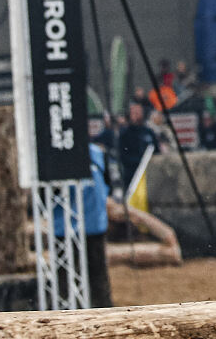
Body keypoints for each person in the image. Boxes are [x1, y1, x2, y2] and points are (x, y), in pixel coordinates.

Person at [53, 142, 114, 307]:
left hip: (94, 224)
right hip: (65, 227)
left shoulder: (97, 153)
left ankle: (104, 311)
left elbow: (108, 185)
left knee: (97, 277)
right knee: (67, 279)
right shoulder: (55, 152)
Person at [117, 101, 159, 183]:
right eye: (134, 112)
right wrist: (140, 161)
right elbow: (123, 156)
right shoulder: (125, 134)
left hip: (149, 174)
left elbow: (156, 151)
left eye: (138, 112)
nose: (136, 115)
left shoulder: (148, 132)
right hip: (132, 176)